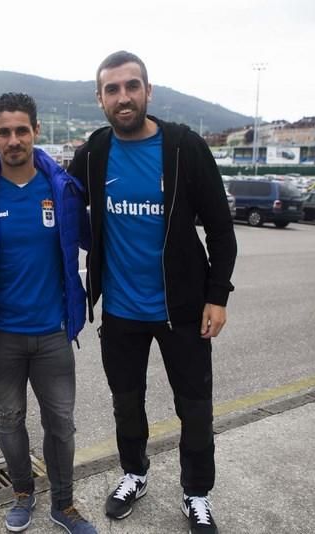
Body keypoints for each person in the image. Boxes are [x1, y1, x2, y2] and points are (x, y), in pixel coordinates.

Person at [67, 51, 237, 534]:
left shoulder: (184, 147)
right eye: (113, 89)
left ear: (148, 91)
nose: (124, 97)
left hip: (182, 310)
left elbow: (222, 230)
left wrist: (217, 296)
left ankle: (196, 493)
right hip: (120, 311)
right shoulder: (95, 152)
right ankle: (135, 473)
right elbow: (57, 198)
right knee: (127, 403)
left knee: (195, 407)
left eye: (132, 86)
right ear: (100, 98)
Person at [0, 93, 96, 534]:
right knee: (10, 420)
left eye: (22, 130)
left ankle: (64, 503)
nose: (13, 140)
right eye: (4, 132)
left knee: (61, 423)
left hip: (54, 333)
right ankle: (22, 492)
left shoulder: (63, 189)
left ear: (36, 131)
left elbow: (102, 242)